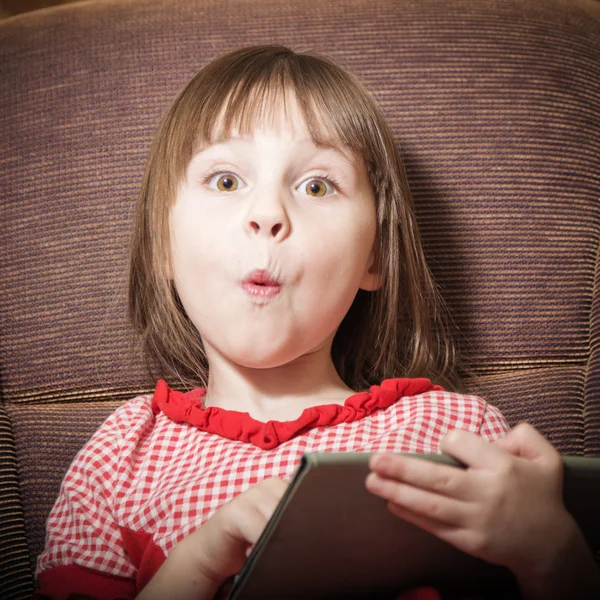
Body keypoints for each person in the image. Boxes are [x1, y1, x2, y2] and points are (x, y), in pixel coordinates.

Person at [34, 45, 600, 600]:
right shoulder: (120, 456)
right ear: (162, 246)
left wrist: (552, 552)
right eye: (227, 181)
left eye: (316, 186)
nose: (267, 215)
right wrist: (200, 562)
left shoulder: (458, 435)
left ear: (374, 258)